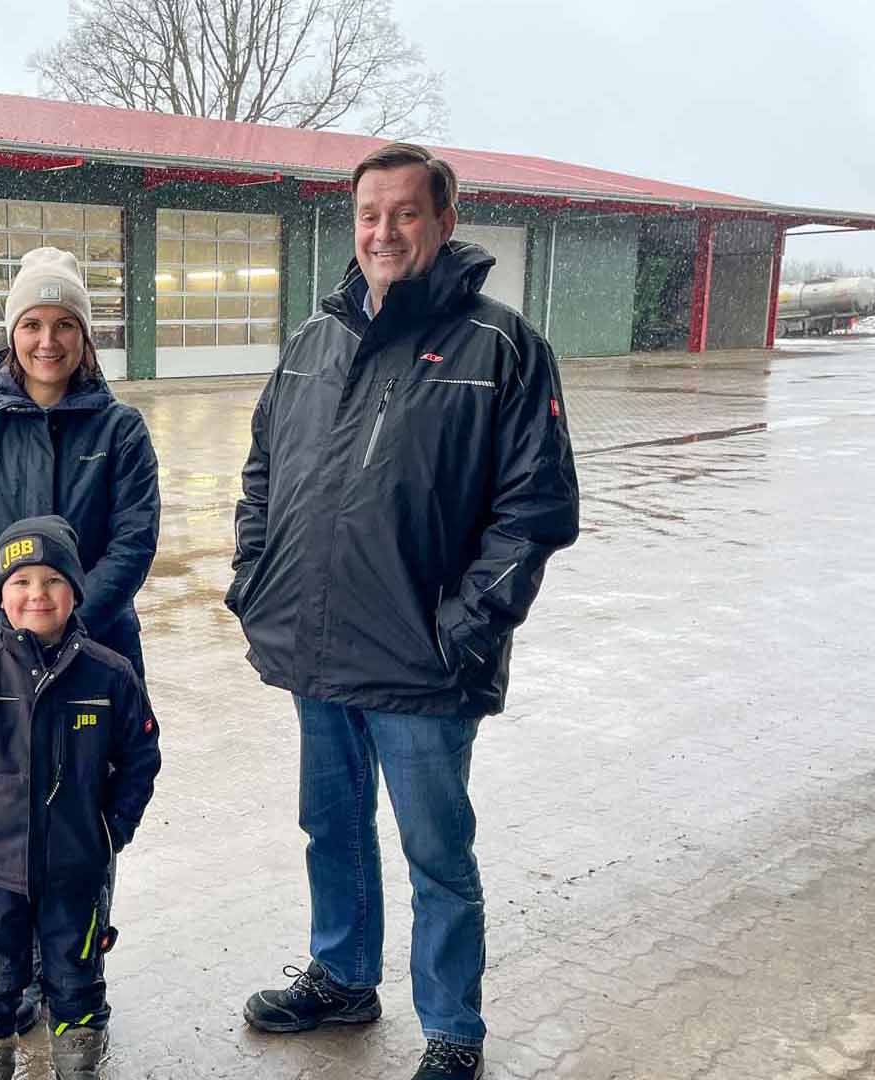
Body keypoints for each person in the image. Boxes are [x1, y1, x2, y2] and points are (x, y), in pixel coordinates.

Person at [228, 143, 579, 1080]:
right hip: (317, 647)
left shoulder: (501, 346)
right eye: (369, 215)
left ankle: (453, 1026)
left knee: (436, 851)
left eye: (405, 214)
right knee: (330, 828)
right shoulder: (314, 338)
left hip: (423, 664)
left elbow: (536, 511)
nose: (383, 232)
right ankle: (343, 976)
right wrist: (253, 578)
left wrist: (461, 628)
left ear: (445, 221)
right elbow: (263, 471)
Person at [0, 516, 162, 1080]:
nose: (37, 595)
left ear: (75, 590)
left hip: (77, 872)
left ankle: (78, 1057)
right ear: (0, 595)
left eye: (52, 580)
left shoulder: (110, 674)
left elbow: (141, 758)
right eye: (20, 582)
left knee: (77, 976)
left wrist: (111, 829)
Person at [0, 245, 160, 681]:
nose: (48, 341)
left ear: (85, 335)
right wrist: (5, 636)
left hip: (99, 645)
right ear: (13, 333)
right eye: (32, 324)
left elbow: (133, 543)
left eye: (65, 325)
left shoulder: (122, 430)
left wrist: (69, 630)